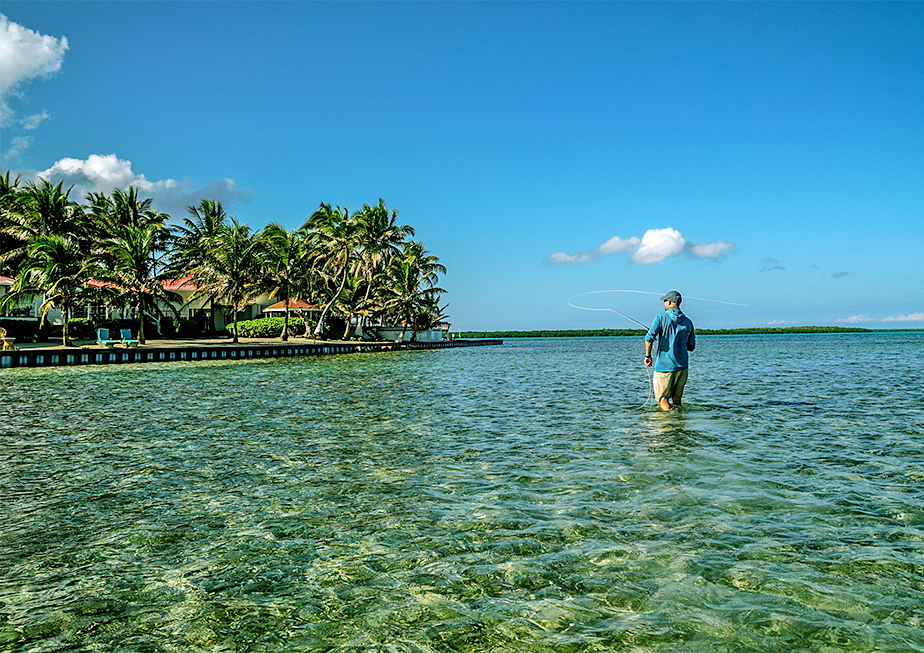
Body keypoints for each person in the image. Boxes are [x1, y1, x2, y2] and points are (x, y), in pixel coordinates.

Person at [644, 290, 695, 411]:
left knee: (663, 399)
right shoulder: (688, 322)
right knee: (677, 399)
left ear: (670, 302)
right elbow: (691, 346)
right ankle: (679, 425)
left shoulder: (660, 318)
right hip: (682, 366)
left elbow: (649, 338)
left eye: (665, 301)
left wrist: (648, 356)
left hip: (664, 366)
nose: (664, 303)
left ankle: (670, 422)